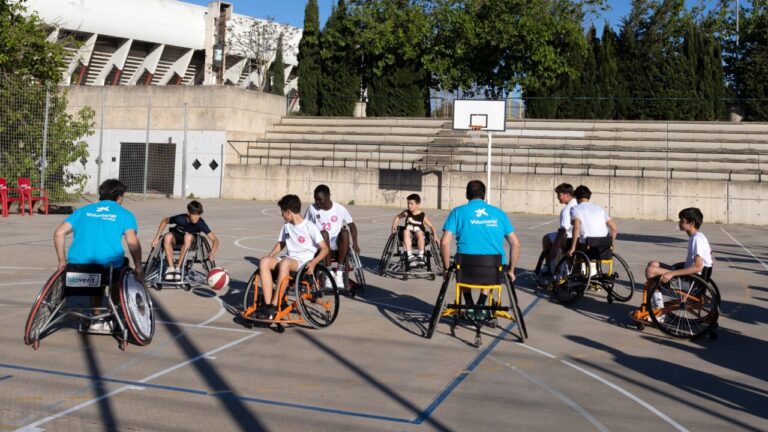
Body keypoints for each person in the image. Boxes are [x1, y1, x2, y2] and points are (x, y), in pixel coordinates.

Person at [53, 179, 143, 332]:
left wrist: (62, 261)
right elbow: (132, 243)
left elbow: (59, 233)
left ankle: (96, 316)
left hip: (76, 266)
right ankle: (113, 312)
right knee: (120, 268)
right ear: (119, 197)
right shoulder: (124, 214)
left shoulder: (82, 211)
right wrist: (139, 267)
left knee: (96, 276)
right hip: (107, 268)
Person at [441, 180, 521, 313]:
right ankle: (481, 303)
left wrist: (446, 268)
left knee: (461, 265)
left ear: (467, 194)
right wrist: (511, 270)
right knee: (491, 265)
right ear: (484, 195)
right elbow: (515, 244)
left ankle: (469, 301)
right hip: (492, 271)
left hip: (465, 270)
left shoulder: (457, 212)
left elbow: (444, 242)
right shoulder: (499, 213)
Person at [258, 194, 329, 319]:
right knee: (264, 261)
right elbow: (281, 243)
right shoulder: (286, 226)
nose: (281, 215)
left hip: (302, 263)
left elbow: (325, 249)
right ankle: (268, 305)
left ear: (289, 212)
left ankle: (275, 305)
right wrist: (270, 256)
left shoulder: (310, 227)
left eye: (282, 212)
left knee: (285, 262)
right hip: (289, 259)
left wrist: (313, 263)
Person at [643, 207, 713, 317]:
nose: (679, 222)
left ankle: (659, 312)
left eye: (682, 221)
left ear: (692, 223)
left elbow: (698, 267)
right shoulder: (698, 236)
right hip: (693, 279)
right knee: (653, 263)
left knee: (650, 271)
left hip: (691, 284)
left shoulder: (696, 239)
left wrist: (671, 273)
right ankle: (657, 307)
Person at [304, 184, 359, 286]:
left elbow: (352, 225)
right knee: (324, 233)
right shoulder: (312, 209)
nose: (317, 202)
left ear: (328, 196)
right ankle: (328, 272)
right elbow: (305, 226)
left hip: (337, 241)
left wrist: (355, 244)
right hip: (321, 242)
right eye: (315, 199)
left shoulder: (339, 209)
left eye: (320, 199)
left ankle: (339, 273)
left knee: (345, 232)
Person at [150, 200, 219, 281]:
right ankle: (171, 268)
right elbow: (165, 221)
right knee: (167, 236)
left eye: (198, 214)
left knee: (188, 237)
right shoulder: (180, 218)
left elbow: (215, 240)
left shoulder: (201, 223)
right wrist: (156, 237)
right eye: (194, 214)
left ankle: (178, 268)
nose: (196, 217)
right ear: (189, 213)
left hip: (191, 240)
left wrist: (212, 252)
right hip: (176, 237)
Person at [538, 183, 577, 282]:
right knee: (548, 237)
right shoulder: (577, 203)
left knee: (546, 239)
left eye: (559, 195)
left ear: (567, 195)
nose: (557, 198)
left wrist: (554, 248)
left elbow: (563, 232)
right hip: (580, 237)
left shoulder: (566, 210)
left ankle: (547, 266)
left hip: (569, 238)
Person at [566, 185, 618, 257]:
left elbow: (576, 227)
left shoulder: (575, 208)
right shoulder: (599, 209)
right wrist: (609, 245)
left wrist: (572, 247)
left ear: (576, 197)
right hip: (603, 246)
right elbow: (614, 229)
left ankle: (571, 267)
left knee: (565, 244)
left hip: (587, 246)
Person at [390, 193, 438, 265]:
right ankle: (409, 256)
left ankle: (421, 256)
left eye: (411, 204)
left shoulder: (422, 215)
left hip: (419, 237)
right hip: (408, 236)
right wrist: (393, 227)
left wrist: (435, 235)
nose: (409, 205)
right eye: (408, 203)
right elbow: (398, 217)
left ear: (417, 204)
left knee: (419, 232)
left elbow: (431, 226)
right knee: (406, 231)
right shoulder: (407, 212)